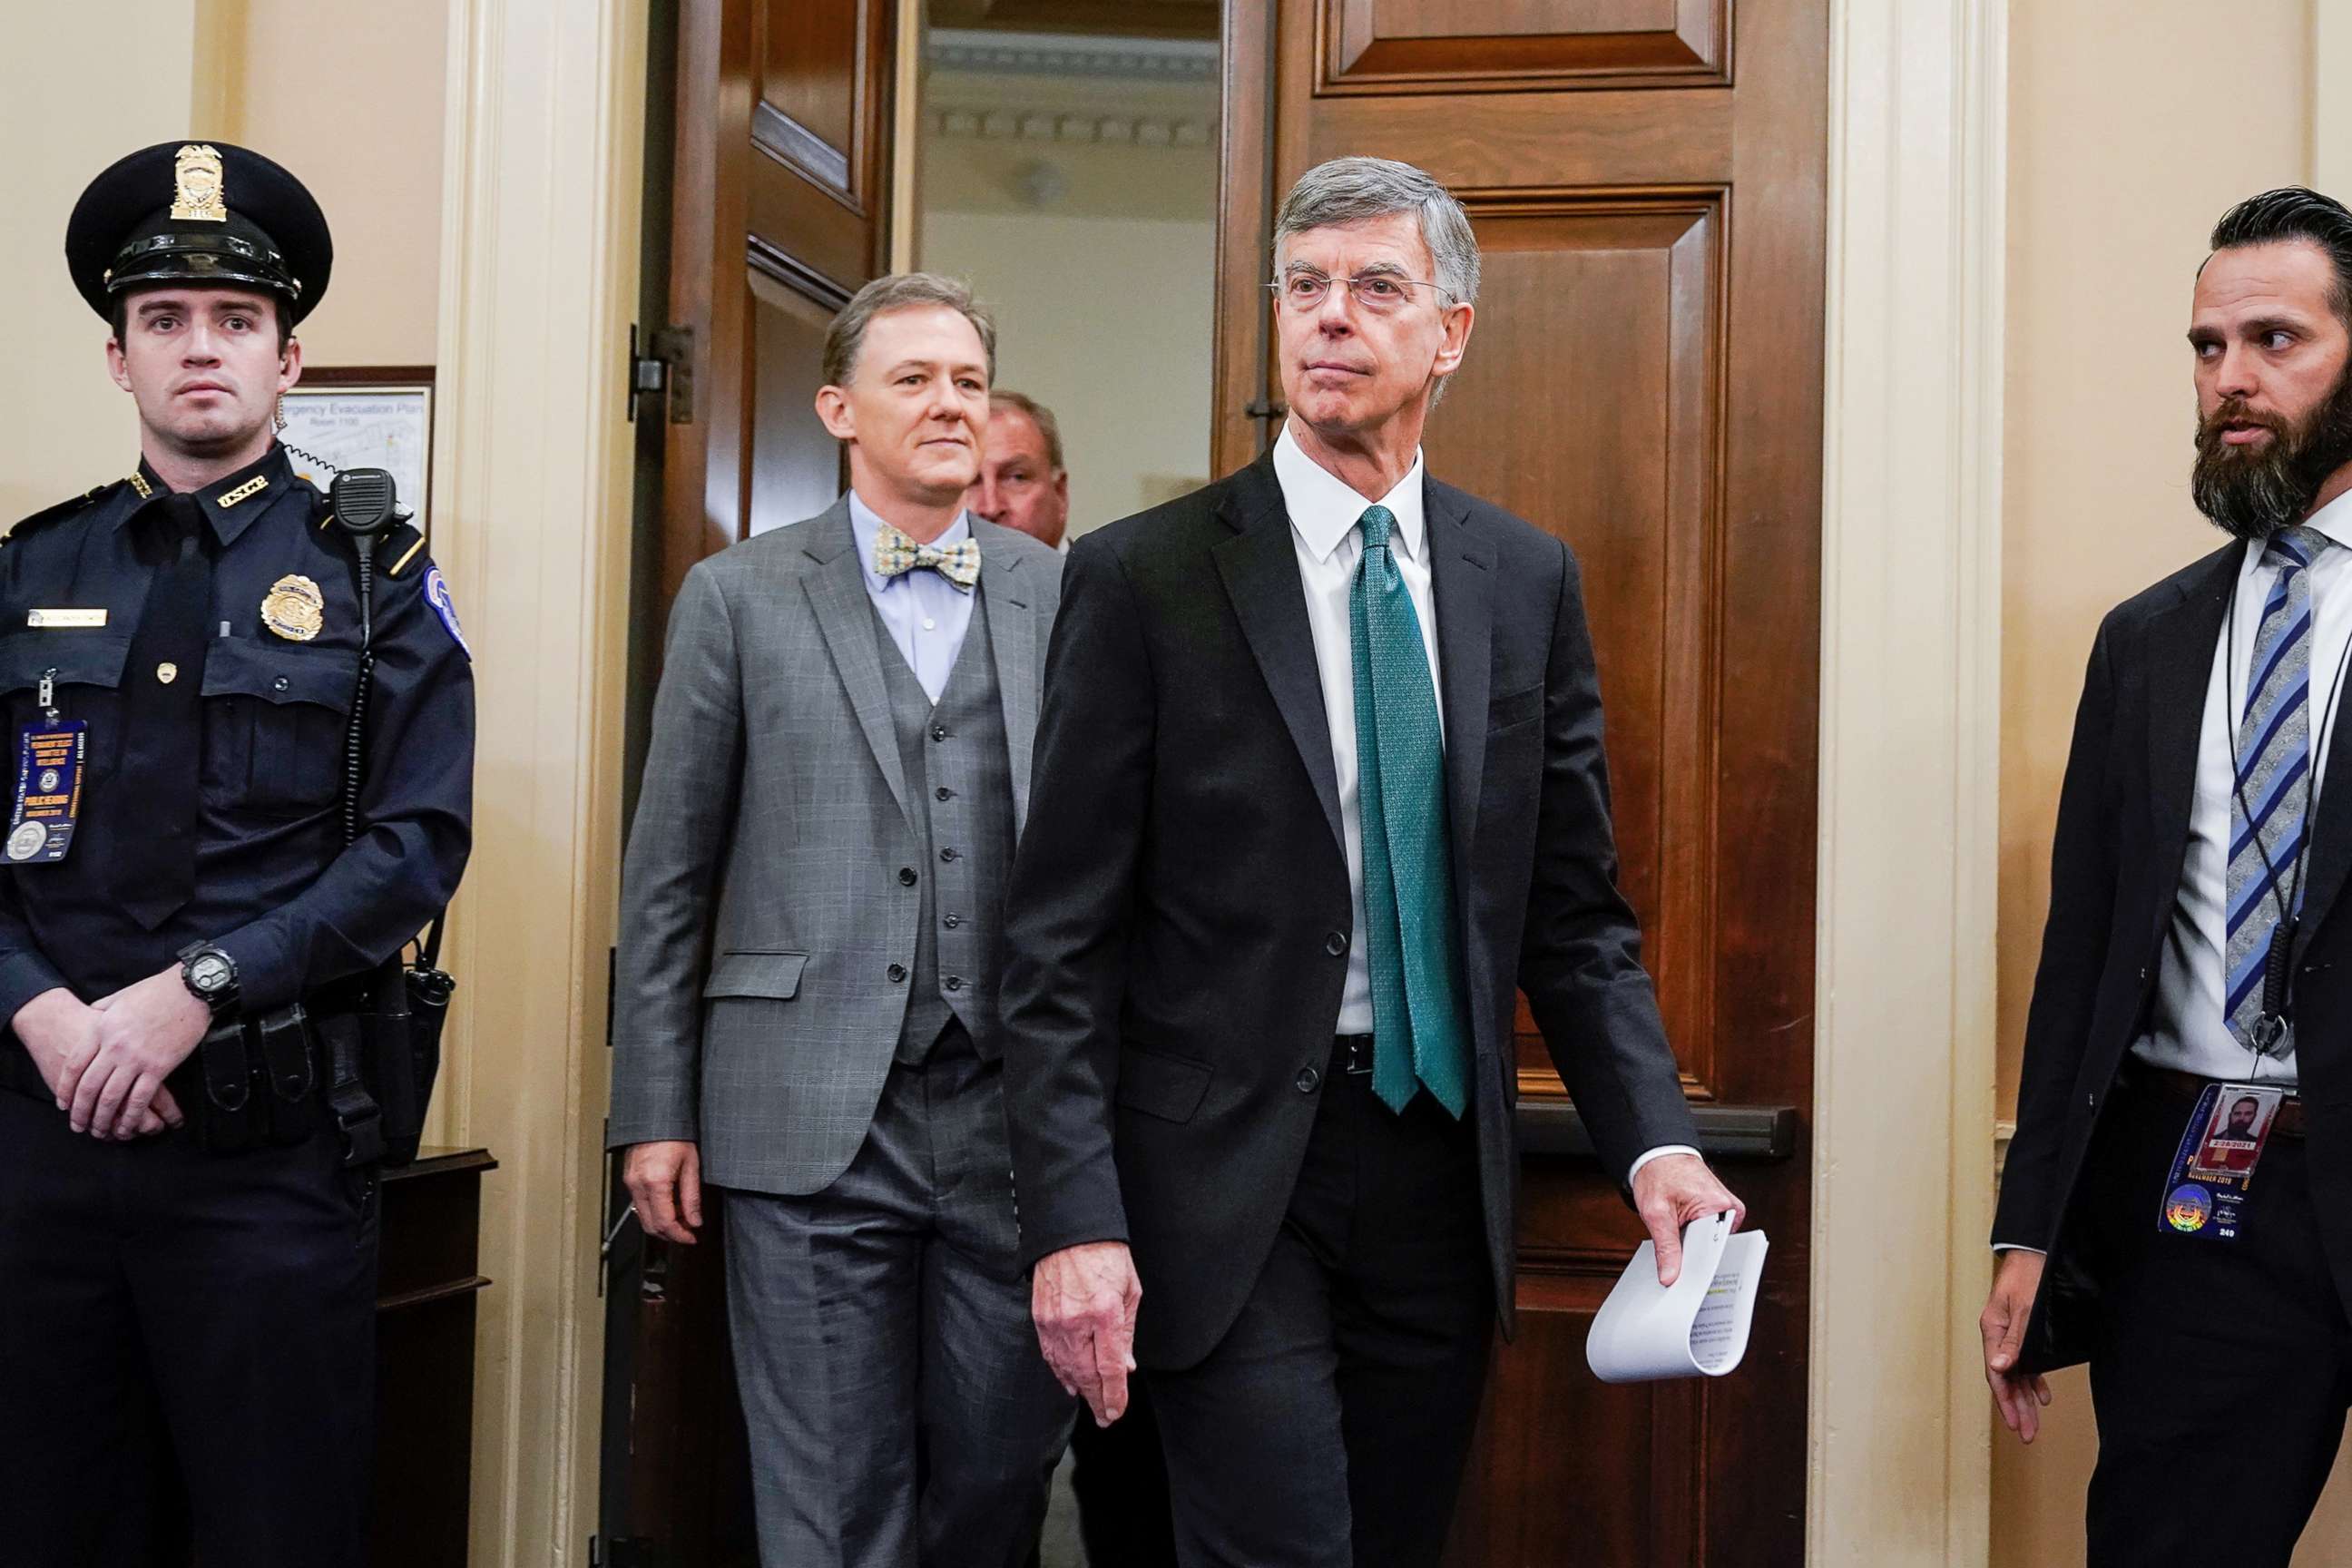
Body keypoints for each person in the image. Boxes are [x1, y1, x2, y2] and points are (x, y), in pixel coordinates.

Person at [997, 155, 1743, 1568]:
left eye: (1376, 288)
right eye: (1306, 287)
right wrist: (1074, 1223)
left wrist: (1656, 1141)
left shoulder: (1521, 579)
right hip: (1224, 1186)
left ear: (1450, 331)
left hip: (1435, 1176)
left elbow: (1571, 917)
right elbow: (1056, 943)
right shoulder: (1144, 576)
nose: (1331, 318)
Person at [0, 142, 475, 1566]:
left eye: (235, 321)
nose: (199, 347)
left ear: (290, 360)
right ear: (117, 358)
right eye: (165, 321)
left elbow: (413, 847)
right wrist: (40, 1007)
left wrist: (189, 992)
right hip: (39, 1147)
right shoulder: (30, 571)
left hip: (262, 1155)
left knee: (275, 1530)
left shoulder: (375, 579)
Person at [610, 272, 1073, 1567]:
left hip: (1013, 1113)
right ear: (838, 409)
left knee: (998, 1487)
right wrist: (653, 1105)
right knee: (827, 1511)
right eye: (914, 380)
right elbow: (669, 876)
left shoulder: (1064, 592)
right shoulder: (738, 596)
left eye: (968, 382)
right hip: (804, 1110)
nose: (948, 405)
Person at [1981, 187, 2352, 1567]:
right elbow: (2081, 955)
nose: (2232, 381)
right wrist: (2026, 1232)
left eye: (2276, 340)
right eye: (2207, 348)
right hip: (2213, 1202)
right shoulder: (2148, 641)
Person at [967, 389, 1071, 551]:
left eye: (1017, 477)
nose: (991, 508)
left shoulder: (1103, 576)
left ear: (1060, 493)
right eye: (967, 481)